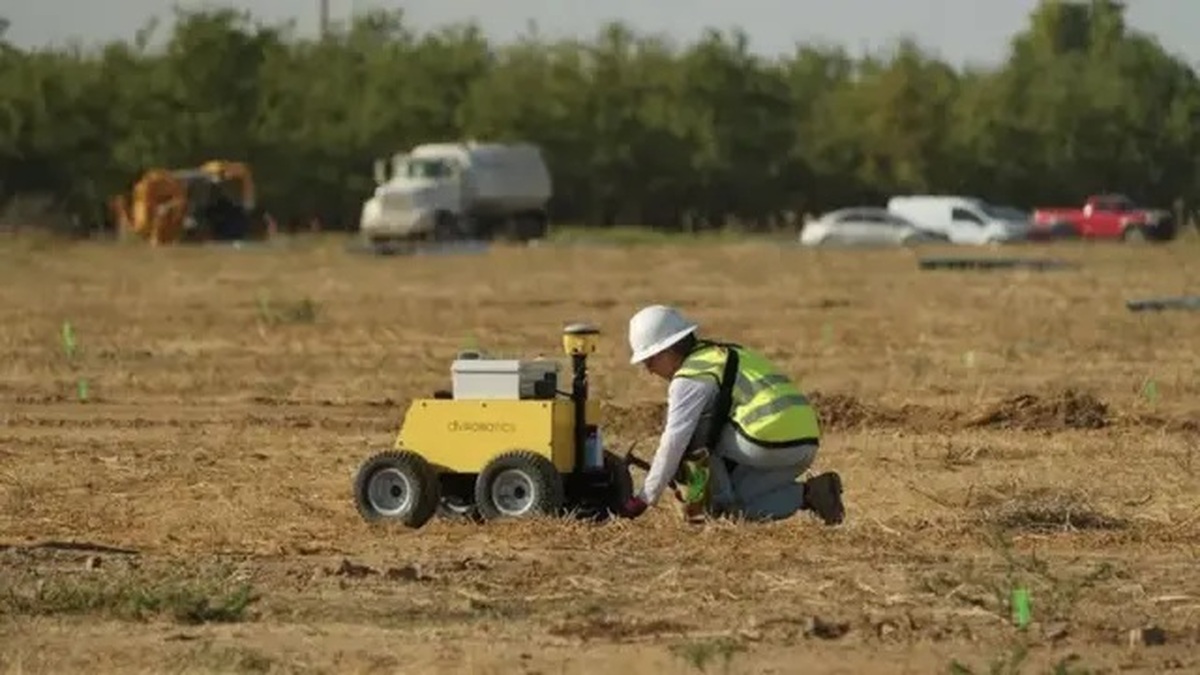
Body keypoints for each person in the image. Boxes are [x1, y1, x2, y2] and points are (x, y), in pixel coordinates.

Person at [617, 304, 844, 524]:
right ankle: (812, 494)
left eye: (649, 359)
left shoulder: (690, 378)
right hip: (804, 443)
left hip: (768, 442)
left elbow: (674, 443)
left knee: (693, 434)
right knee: (739, 508)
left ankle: (714, 505)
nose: (648, 370)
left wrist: (645, 498)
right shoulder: (727, 353)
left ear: (668, 350)